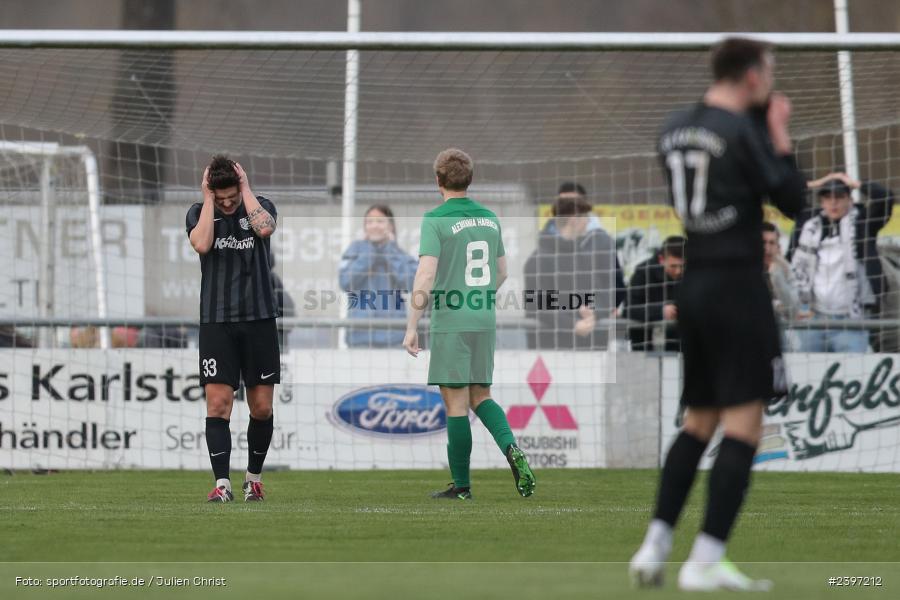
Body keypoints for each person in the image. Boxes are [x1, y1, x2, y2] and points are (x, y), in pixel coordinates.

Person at [630, 38, 806, 591]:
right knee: (743, 426)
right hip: (736, 283)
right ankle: (704, 560)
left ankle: (655, 543)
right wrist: (778, 130)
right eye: (769, 73)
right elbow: (793, 199)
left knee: (697, 421)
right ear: (753, 77)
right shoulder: (743, 131)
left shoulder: (671, 128)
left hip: (696, 285)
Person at [403, 148, 535, 500]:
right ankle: (511, 448)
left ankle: (461, 486)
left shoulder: (436, 219)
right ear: (470, 179)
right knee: (482, 395)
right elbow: (503, 270)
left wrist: (412, 324)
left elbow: (426, 272)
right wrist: (478, 298)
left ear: (438, 181)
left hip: (451, 319)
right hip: (484, 316)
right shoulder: (490, 218)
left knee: (457, 405)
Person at [185, 155, 280, 503]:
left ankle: (253, 480)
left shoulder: (260, 206)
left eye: (232, 198)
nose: (227, 204)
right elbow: (201, 244)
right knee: (218, 404)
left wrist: (246, 190)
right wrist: (210, 199)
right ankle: (222, 484)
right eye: (219, 198)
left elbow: (265, 228)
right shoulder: (199, 213)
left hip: (259, 320)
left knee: (262, 408)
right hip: (217, 322)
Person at [788, 173, 894, 352]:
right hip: (813, 319)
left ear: (850, 200)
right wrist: (816, 183)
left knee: (852, 374)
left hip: (851, 321)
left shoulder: (863, 222)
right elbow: (785, 194)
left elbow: (886, 197)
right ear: (821, 202)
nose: (833, 203)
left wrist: (855, 183)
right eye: (827, 197)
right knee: (810, 375)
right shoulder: (808, 224)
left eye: (839, 197)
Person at [523, 190, 626, 350]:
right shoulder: (538, 259)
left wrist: (594, 312)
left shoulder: (584, 256)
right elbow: (536, 304)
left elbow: (603, 294)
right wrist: (573, 325)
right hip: (551, 352)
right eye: (586, 217)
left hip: (590, 349)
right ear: (573, 219)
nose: (588, 222)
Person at [339, 205, 418, 347]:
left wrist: (390, 251)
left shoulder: (399, 254)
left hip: (393, 337)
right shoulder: (354, 251)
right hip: (359, 337)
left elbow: (411, 283)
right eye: (369, 222)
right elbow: (345, 282)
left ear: (391, 226)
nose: (374, 226)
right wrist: (369, 253)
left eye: (380, 221)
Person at [626, 236, 685, 351]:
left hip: (682, 347)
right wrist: (661, 311)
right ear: (661, 259)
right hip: (644, 347)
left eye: (682, 266)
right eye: (673, 266)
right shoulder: (643, 272)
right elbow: (629, 309)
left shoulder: (694, 273)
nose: (678, 271)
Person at [762, 222, 801, 319]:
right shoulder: (746, 268)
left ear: (778, 246)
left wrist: (777, 276)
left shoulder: (785, 267)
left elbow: (793, 310)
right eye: (763, 242)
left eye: (772, 243)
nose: (767, 248)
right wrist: (777, 306)